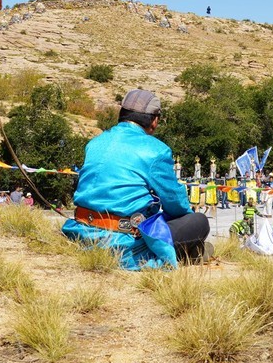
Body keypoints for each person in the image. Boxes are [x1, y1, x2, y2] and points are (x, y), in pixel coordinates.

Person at [61, 89, 210, 269]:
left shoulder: (95, 142)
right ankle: (186, 254)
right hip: (123, 243)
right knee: (199, 222)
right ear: (154, 121)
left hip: (81, 232)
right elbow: (176, 204)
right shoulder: (156, 150)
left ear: (122, 115)